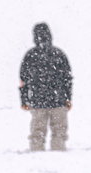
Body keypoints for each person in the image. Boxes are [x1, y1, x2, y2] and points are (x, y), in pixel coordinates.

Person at [18, 22, 72, 151]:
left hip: (38, 102)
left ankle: (37, 160)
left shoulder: (30, 56)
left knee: (37, 134)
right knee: (59, 133)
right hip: (58, 100)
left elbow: (23, 81)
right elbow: (67, 79)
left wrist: (24, 100)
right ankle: (59, 160)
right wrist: (68, 98)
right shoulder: (59, 54)